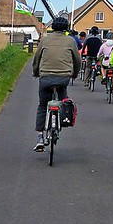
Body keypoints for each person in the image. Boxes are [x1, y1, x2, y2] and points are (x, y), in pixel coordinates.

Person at [32, 16, 81, 151]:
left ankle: (41, 137)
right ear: (65, 28)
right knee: (63, 100)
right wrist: (75, 73)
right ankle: (60, 121)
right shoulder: (71, 41)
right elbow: (77, 60)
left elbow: (37, 59)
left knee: (42, 105)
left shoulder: (45, 40)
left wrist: (36, 72)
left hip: (45, 77)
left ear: (52, 27)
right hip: (63, 78)